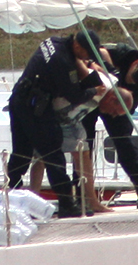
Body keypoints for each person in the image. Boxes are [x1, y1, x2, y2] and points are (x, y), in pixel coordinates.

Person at [6, 30, 105, 218]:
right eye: (87, 55)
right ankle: (67, 203)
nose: (87, 59)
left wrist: (89, 64)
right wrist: (94, 90)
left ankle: (11, 196)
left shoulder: (53, 41)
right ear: (77, 46)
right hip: (35, 106)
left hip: (19, 100)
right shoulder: (63, 62)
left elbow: (74, 62)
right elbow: (74, 95)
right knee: (53, 152)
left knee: (21, 153)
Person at [81, 44, 138, 208]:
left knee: (125, 143)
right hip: (94, 94)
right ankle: (81, 194)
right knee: (84, 144)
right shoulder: (121, 53)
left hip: (117, 104)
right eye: (132, 78)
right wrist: (106, 66)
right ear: (135, 64)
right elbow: (94, 52)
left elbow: (127, 109)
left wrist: (117, 113)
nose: (132, 82)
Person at [56, 70, 133, 214]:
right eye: (115, 111)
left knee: (84, 153)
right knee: (41, 155)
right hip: (53, 112)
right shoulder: (100, 85)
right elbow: (84, 70)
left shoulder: (110, 86)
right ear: (111, 99)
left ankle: (92, 201)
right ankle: (33, 196)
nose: (112, 115)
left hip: (70, 119)